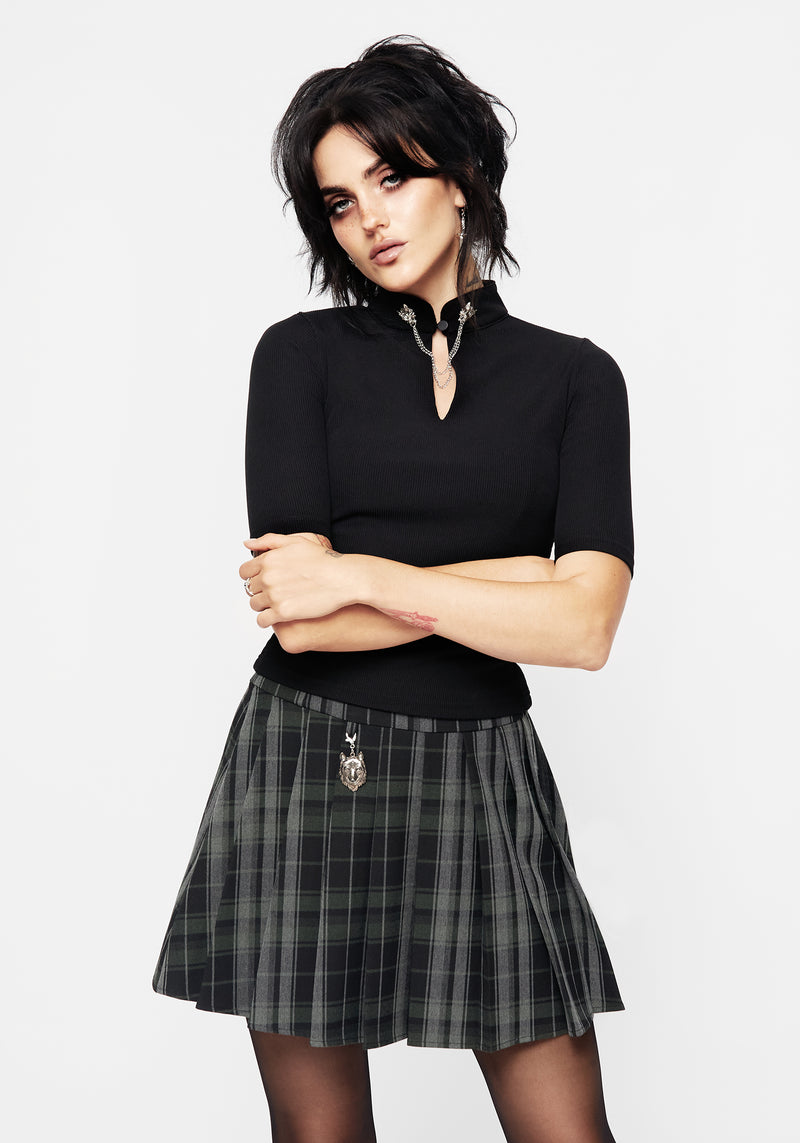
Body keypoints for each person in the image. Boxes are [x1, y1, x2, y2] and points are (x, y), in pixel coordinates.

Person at [152, 35, 634, 1143]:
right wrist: (518, 580)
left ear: (459, 177)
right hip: (305, 759)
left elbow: (585, 627)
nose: (369, 218)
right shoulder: (298, 358)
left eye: (392, 176)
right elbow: (302, 623)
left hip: (484, 767)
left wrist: (361, 571)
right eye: (338, 200)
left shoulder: (574, 378)